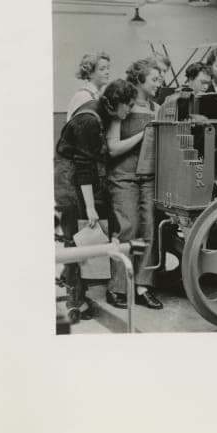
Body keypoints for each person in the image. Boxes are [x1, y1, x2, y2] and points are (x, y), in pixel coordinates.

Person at [54, 78, 136, 321]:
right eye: (129, 105)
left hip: (79, 179)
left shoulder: (100, 111)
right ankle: (75, 301)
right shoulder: (90, 120)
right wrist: (90, 206)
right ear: (117, 103)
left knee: (81, 237)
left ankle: (75, 288)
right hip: (70, 182)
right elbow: (83, 166)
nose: (130, 110)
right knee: (76, 239)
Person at [104, 59, 165, 310]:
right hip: (123, 177)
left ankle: (143, 287)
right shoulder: (123, 107)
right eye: (154, 79)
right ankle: (117, 287)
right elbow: (112, 148)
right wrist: (144, 134)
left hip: (149, 177)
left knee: (150, 229)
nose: (159, 83)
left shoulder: (157, 108)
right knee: (127, 228)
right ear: (139, 80)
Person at [66, 52, 112, 120]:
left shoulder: (99, 95)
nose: (107, 72)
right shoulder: (83, 96)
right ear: (90, 73)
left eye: (108, 68)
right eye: (102, 69)